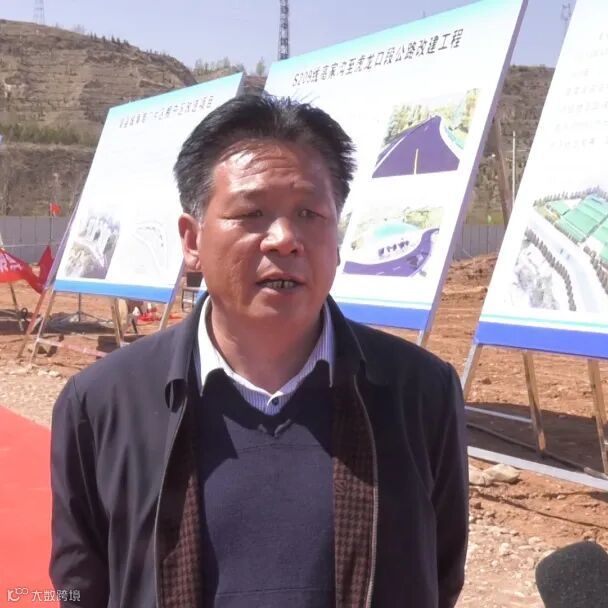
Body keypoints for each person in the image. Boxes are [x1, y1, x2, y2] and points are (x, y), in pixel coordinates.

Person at [50, 94, 468, 608]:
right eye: (251, 213)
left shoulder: (420, 392)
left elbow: (440, 574)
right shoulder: (101, 403)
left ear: (338, 235)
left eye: (309, 213)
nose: (285, 239)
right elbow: (80, 586)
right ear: (192, 241)